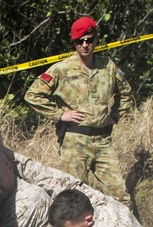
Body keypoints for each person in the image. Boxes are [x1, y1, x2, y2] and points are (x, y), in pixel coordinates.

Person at [24, 16, 134, 208]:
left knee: (120, 196)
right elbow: (32, 95)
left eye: (89, 39)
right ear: (73, 42)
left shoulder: (108, 66)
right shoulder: (62, 69)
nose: (85, 45)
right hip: (74, 143)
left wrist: (114, 116)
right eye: (79, 41)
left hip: (102, 141)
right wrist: (60, 114)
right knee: (77, 199)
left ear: (96, 39)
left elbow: (125, 93)